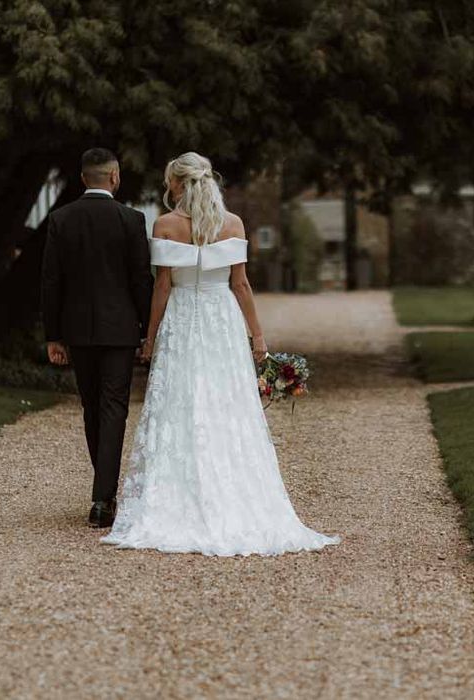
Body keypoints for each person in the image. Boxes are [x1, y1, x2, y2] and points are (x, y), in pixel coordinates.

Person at [101, 151, 339, 555]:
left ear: (177, 184)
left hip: (181, 318)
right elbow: (241, 285)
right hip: (221, 320)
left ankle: (179, 494)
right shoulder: (232, 224)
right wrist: (258, 337)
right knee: (227, 403)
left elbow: (162, 287)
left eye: (168, 182)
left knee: (179, 403)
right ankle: (234, 491)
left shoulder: (165, 224)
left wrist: (151, 337)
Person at [41, 148, 152, 528]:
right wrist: (145, 330)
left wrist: (53, 336)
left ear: (83, 177)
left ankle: (103, 492)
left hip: (77, 331)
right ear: (115, 177)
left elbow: (51, 283)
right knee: (113, 409)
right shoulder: (131, 220)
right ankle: (103, 497)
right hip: (120, 331)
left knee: (92, 407)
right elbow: (141, 280)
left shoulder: (60, 219)